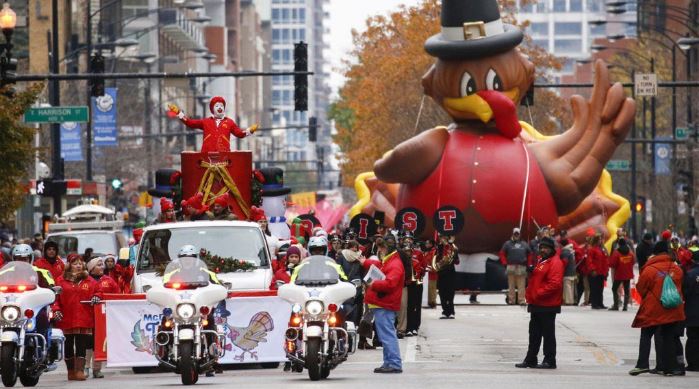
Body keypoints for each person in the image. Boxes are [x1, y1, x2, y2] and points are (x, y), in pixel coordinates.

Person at [629, 240, 685, 376]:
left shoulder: (649, 269)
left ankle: (642, 364)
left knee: (646, 334)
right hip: (673, 308)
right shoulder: (676, 268)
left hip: (654, 309)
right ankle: (669, 368)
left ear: (654, 253)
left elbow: (641, 288)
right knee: (668, 337)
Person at [515, 237, 564, 370]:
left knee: (548, 334)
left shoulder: (555, 262)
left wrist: (537, 293)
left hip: (547, 305)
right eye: (541, 247)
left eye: (546, 248)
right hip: (537, 304)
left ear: (552, 249)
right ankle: (531, 359)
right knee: (534, 333)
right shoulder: (543, 260)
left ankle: (550, 360)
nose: (542, 250)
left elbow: (555, 284)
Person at [359, 233, 404, 374]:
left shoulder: (394, 263)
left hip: (384, 303)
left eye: (381, 248)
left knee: (387, 335)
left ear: (386, 248)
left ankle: (394, 363)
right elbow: (380, 265)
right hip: (383, 303)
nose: (379, 250)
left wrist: (373, 284)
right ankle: (389, 362)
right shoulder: (392, 260)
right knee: (386, 334)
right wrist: (366, 262)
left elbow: (390, 284)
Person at [53, 255, 98, 381]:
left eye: (80, 263)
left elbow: (98, 291)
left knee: (81, 345)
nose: (78, 265)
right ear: (69, 265)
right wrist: (56, 310)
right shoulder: (60, 280)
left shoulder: (89, 280)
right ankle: (71, 371)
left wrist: (97, 296)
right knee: (67, 345)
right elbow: (55, 299)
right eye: (75, 263)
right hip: (66, 317)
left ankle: (79, 371)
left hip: (84, 317)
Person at [86, 257, 119, 378]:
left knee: (98, 343)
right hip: (88, 316)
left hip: (103, 317)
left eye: (102, 265)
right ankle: (86, 367)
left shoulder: (109, 280)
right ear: (91, 268)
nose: (102, 267)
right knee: (87, 343)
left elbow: (117, 296)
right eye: (99, 265)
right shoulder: (86, 280)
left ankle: (97, 369)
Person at [500, 228, 532, 305]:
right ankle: (511, 301)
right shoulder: (507, 243)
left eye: (517, 234)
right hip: (511, 266)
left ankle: (521, 300)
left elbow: (530, 254)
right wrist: (504, 263)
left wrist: (529, 264)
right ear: (513, 234)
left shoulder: (524, 244)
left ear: (520, 234)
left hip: (522, 266)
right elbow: (502, 253)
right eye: (515, 234)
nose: (516, 235)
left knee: (521, 285)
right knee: (511, 285)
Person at [434, 234, 459, 319]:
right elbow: (435, 258)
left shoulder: (453, 247)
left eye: (444, 238)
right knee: (442, 293)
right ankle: (445, 311)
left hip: (450, 272)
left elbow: (457, 261)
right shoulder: (438, 248)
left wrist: (452, 252)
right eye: (441, 238)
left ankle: (451, 311)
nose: (443, 239)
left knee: (450, 293)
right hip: (441, 272)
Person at [608, 238, 635, 311]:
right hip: (628, 274)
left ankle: (616, 305)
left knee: (614, 289)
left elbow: (612, 264)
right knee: (626, 290)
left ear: (619, 244)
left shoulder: (616, 252)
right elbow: (633, 261)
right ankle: (625, 306)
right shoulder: (630, 252)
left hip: (619, 274)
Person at [683, 248, 699, 372]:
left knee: (692, 338)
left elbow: (685, 292)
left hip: (693, 311)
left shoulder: (690, 274)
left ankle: (693, 364)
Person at [587, 234, 609, 310]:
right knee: (594, 289)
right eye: (599, 239)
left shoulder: (602, 249)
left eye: (601, 239)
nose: (601, 241)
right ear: (596, 240)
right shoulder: (592, 249)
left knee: (600, 288)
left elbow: (606, 259)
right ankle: (594, 303)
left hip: (601, 272)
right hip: (595, 272)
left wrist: (606, 271)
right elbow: (589, 261)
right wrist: (592, 270)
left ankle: (600, 303)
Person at [559, 239, 577, 306]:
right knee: (571, 287)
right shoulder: (571, 251)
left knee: (567, 287)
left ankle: (568, 301)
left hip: (567, 272)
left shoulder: (565, 252)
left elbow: (564, 262)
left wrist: (561, 270)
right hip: (572, 271)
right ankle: (571, 300)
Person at [422, 239, 438, 308]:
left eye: (427, 243)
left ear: (431, 244)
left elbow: (433, 261)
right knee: (428, 288)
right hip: (427, 273)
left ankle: (432, 303)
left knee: (432, 288)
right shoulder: (428, 251)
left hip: (432, 273)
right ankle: (429, 302)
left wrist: (431, 268)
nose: (426, 245)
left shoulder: (434, 251)